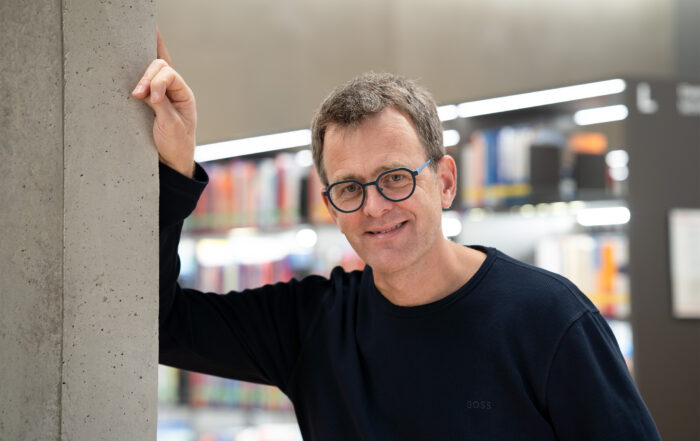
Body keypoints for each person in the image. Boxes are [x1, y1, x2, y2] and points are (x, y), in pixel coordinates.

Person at [132, 34, 662, 440]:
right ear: (330, 208)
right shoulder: (311, 326)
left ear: (446, 181)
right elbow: (157, 325)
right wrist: (175, 171)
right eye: (349, 188)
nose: (375, 207)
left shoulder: (549, 317)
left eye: (395, 178)